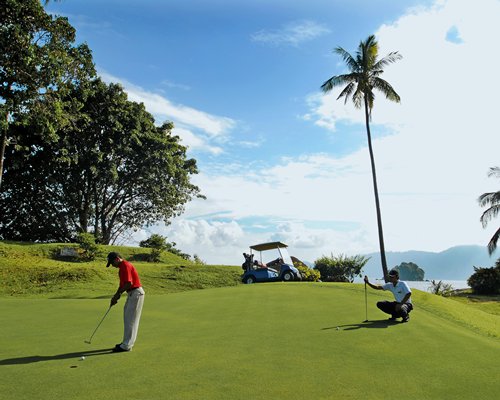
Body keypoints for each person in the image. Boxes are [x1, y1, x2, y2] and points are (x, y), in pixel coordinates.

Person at [106, 252, 145, 352]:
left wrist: (118, 295)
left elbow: (129, 283)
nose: (112, 265)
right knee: (128, 318)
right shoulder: (121, 268)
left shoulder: (126, 266)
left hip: (136, 293)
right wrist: (116, 295)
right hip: (132, 293)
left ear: (117, 259)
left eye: (112, 262)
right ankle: (126, 342)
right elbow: (122, 285)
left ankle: (127, 345)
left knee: (131, 319)